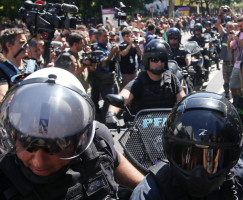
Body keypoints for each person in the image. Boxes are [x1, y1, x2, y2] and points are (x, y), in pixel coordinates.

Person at [0, 67, 144, 199]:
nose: (38, 162)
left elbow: (143, 186)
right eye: (27, 144)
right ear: (14, 136)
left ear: (80, 137)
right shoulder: (5, 174)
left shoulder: (97, 142)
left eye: (55, 147)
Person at [130, 92, 243, 199]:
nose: (198, 172)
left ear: (232, 158)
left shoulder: (233, 173)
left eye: (211, 159)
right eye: (189, 157)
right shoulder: (150, 192)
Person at [105, 39, 186, 125]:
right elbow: (123, 97)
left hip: (167, 131)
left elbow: (184, 101)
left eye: (162, 59)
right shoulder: (139, 81)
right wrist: (111, 114)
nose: (159, 63)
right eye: (155, 59)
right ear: (147, 60)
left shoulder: (171, 79)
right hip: (141, 133)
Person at [90, 28, 120, 122]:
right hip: (103, 80)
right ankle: (105, 123)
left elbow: (114, 60)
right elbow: (103, 64)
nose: (107, 38)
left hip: (111, 78)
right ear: (98, 37)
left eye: (107, 36)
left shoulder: (108, 46)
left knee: (114, 100)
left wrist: (117, 52)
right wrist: (112, 52)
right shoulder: (97, 48)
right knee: (108, 102)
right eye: (105, 36)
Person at [0, 28, 28, 103]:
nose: (26, 46)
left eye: (26, 42)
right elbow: (2, 97)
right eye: (22, 43)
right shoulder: (2, 69)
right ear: (8, 45)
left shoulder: (33, 65)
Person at [216, 7, 235, 99]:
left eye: (230, 27)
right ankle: (227, 94)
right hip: (226, 62)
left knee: (234, 81)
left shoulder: (237, 36)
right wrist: (220, 13)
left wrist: (231, 12)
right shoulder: (224, 35)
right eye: (227, 27)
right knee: (226, 80)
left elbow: (237, 20)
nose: (228, 29)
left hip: (235, 63)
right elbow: (218, 24)